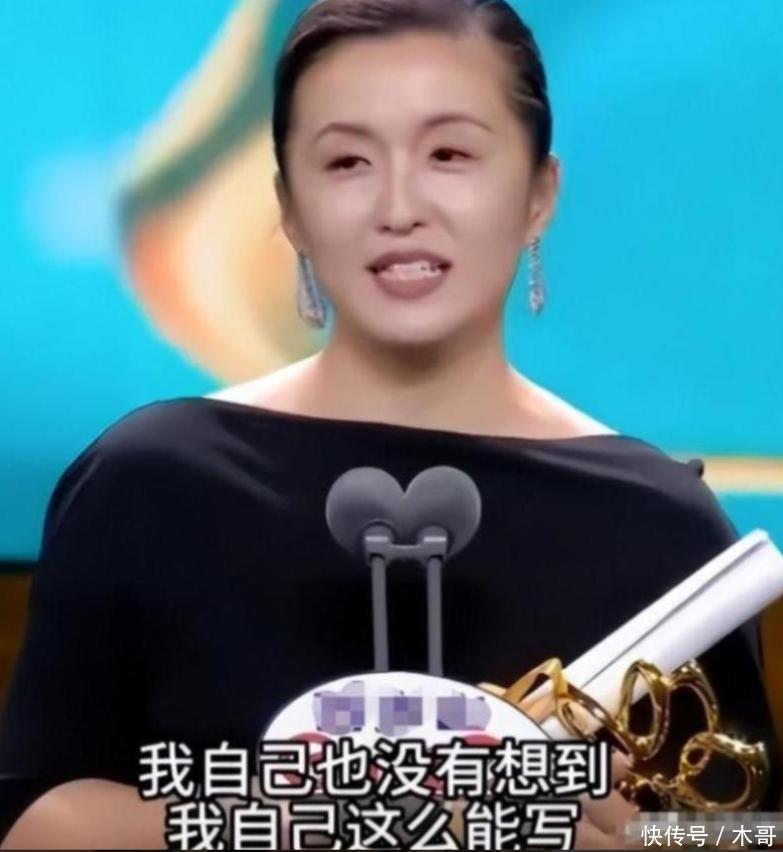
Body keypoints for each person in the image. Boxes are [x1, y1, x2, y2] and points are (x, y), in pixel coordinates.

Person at [1, 0, 779, 847]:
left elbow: (738, 832)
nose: (399, 206)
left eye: (449, 154)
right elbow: (29, 817)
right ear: (288, 207)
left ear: (538, 195)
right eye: (346, 161)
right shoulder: (151, 480)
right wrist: (343, 821)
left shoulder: (659, 525)